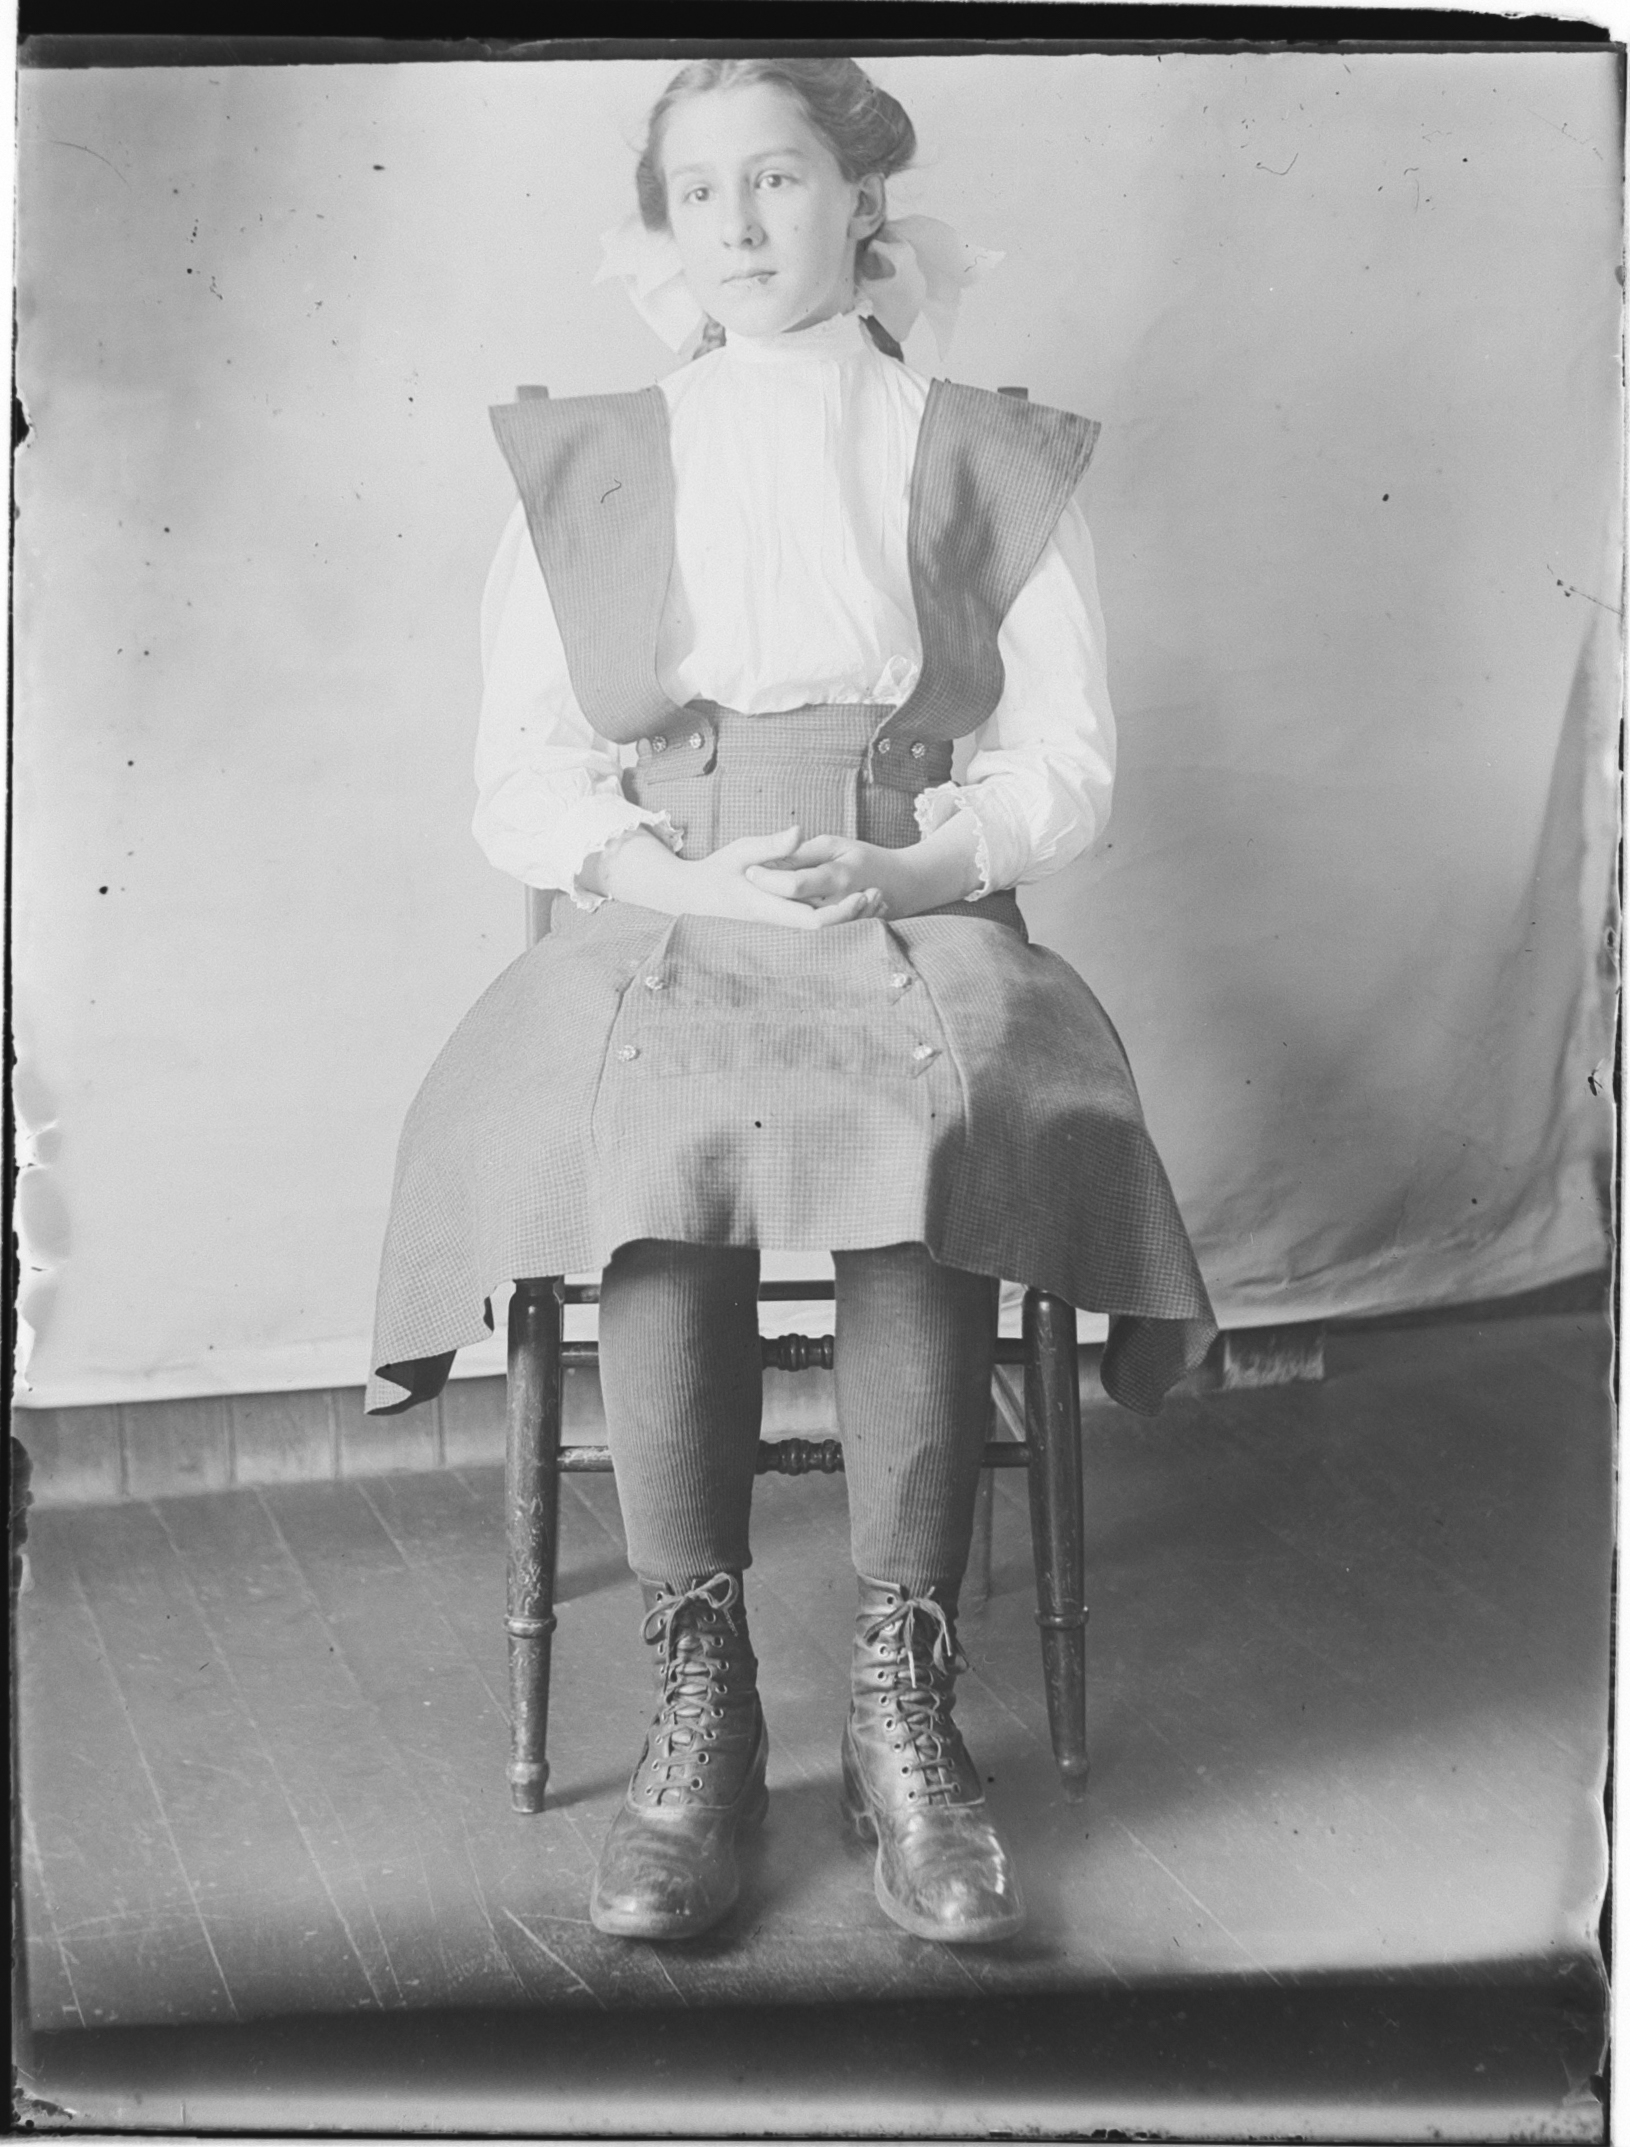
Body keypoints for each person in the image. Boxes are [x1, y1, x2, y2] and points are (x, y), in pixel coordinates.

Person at [368, 56, 1216, 1948]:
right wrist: (680, 879)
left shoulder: (979, 450)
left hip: (912, 894)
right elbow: (523, 777)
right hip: (672, 898)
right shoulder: (599, 461)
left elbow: (1065, 762)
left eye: (776, 179)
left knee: (937, 1119)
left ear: (860, 199)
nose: (739, 224)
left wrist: (914, 869)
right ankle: (706, 1699)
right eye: (698, 192)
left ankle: (905, 1699)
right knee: (652, 1129)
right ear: (662, 230)